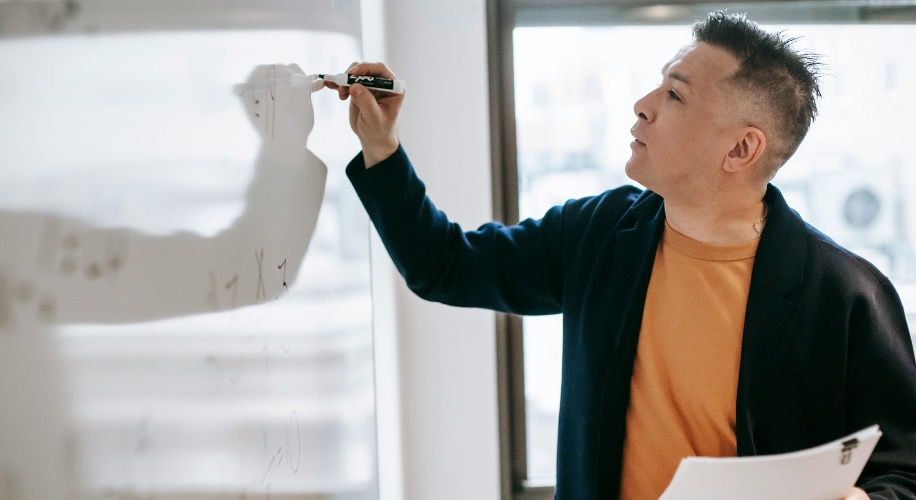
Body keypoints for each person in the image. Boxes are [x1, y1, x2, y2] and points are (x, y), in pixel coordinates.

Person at [327, 11, 916, 500]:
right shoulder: (602, 233)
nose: (642, 104)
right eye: (659, 84)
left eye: (675, 95)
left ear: (740, 148)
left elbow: (904, 469)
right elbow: (446, 266)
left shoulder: (844, 292)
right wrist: (381, 145)